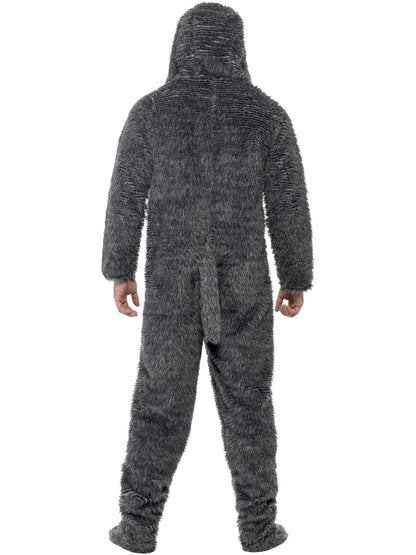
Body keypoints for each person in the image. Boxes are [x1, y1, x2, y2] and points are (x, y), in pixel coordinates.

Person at [102, 2, 313, 552]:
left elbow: (126, 196)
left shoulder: (150, 112)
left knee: (159, 400)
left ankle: (138, 525)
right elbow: (288, 204)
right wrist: (295, 276)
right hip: (244, 281)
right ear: (238, 47)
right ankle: (259, 527)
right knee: (250, 402)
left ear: (180, 45)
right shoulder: (266, 115)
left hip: (172, 281)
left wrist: (120, 269)